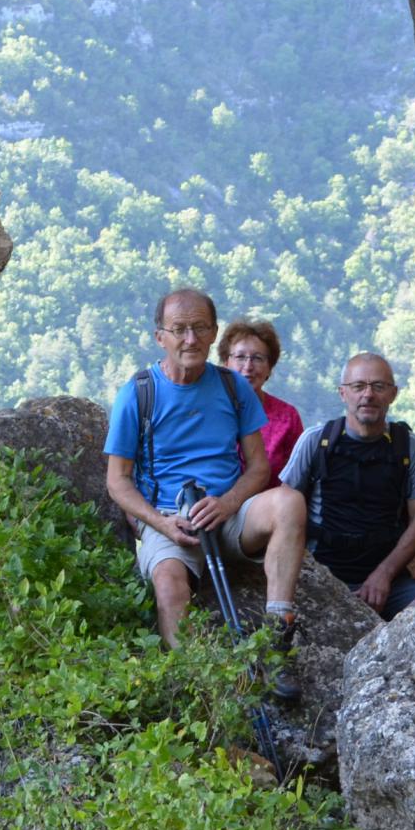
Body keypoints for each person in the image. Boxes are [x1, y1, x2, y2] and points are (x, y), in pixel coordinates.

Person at [103, 287, 310, 698]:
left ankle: (277, 636)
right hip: (169, 517)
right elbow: (117, 481)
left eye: (200, 328)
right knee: (168, 582)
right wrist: (160, 522)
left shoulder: (234, 388)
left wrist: (229, 502)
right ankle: (207, 686)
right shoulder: (139, 393)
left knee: (289, 502)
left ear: (214, 332)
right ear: (160, 336)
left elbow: (258, 467)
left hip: (227, 513)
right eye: (179, 329)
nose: (191, 339)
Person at [278, 353, 415, 618]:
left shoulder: (408, 446)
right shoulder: (317, 441)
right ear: (343, 393)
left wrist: (384, 574)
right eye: (358, 386)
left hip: (389, 578)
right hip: (320, 574)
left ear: (393, 394)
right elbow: (283, 508)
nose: (368, 394)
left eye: (378, 386)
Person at [217, 318, 304, 475]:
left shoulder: (287, 417)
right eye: (240, 357)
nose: (248, 366)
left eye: (257, 358)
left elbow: (298, 477)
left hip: (271, 498)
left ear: (269, 368)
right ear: (225, 363)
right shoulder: (208, 410)